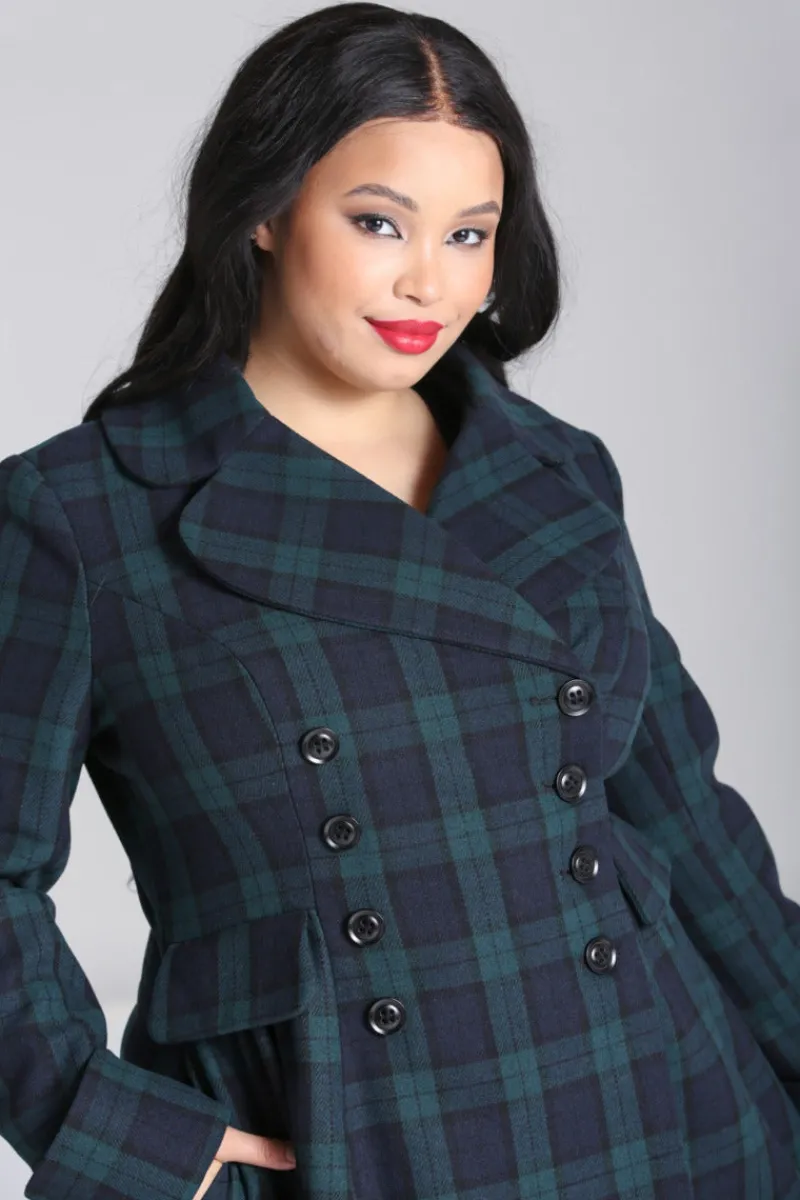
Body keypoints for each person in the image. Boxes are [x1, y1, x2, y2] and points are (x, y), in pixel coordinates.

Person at [1, 3, 799, 1198]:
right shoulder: (85, 513)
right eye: (378, 221)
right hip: (346, 1135)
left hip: (664, 1104)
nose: (429, 279)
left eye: (469, 234)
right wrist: (119, 1131)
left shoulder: (553, 469)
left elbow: (685, 820)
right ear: (264, 209)